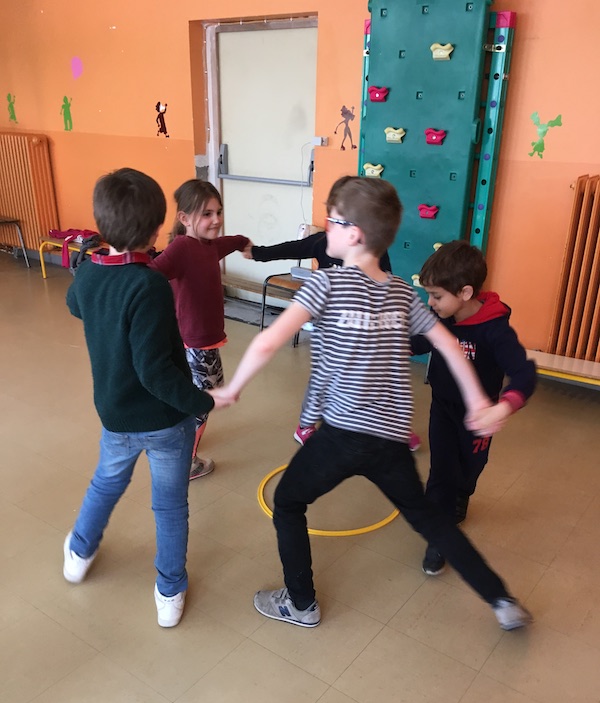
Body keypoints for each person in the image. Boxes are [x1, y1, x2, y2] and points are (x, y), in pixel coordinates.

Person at [210, 176, 532, 632]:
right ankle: (501, 600)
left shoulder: (324, 285)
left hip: (342, 437)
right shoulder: (400, 291)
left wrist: (232, 388)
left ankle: (300, 604)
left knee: (288, 502)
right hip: (391, 442)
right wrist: (480, 399)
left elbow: (267, 342)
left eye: (332, 221)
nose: (325, 228)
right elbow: (447, 344)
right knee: (429, 519)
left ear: (354, 234)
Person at [64, 168, 228, 628]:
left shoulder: (90, 273)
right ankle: (169, 591)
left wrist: (91, 265)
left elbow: (74, 304)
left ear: (102, 223)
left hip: (115, 414)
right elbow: (155, 372)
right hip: (165, 422)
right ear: (157, 227)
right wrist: (202, 402)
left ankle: (78, 552)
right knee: (170, 506)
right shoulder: (148, 285)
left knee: (106, 483)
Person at [411, 240, 537, 576]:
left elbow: (525, 373)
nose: (429, 303)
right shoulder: (439, 318)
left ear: (465, 292)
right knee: (441, 472)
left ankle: (462, 494)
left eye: (436, 296)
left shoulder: (495, 330)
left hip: (479, 419)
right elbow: (416, 341)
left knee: (469, 468)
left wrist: (503, 408)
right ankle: (439, 537)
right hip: (442, 406)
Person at [244, 230, 421, 452]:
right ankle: (305, 426)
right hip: (330, 329)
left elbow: (385, 287)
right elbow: (293, 248)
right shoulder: (324, 241)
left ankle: (392, 426)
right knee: (324, 376)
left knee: (377, 376)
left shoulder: (375, 245)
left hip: (361, 326)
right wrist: (257, 252)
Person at [152, 180, 250, 479]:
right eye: (207, 214)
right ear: (184, 218)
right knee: (202, 402)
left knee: (200, 396)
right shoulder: (182, 248)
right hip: (194, 342)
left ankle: (180, 440)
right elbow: (151, 274)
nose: (216, 220)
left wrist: (243, 242)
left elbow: (226, 242)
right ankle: (185, 461)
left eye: (218, 212)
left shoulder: (207, 246)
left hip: (202, 342)